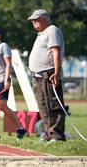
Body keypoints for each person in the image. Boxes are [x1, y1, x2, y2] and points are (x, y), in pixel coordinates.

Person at [27, 9, 66, 142]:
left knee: (53, 104)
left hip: (49, 73)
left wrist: (56, 71)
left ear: (44, 19)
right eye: (32, 20)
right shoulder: (41, 34)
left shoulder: (52, 30)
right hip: (38, 75)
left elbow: (56, 51)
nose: (33, 22)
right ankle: (48, 132)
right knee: (43, 106)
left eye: (36, 19)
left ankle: (57, 135)